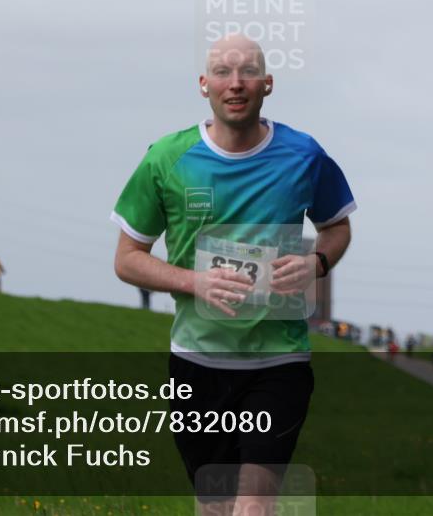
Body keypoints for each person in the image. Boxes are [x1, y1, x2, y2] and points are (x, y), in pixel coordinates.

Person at [110, 34, 356, 514]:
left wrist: (315, 263)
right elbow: (127, 258)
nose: (236, 83)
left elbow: (337, 227)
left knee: (252, 507)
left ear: (268, 84)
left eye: (248, 72)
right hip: (196, 363)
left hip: (278, 362)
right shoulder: (167, 158)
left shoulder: (303, 155)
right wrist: (195, 282)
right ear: (204, 85)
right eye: (223, 72)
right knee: (216, 508)